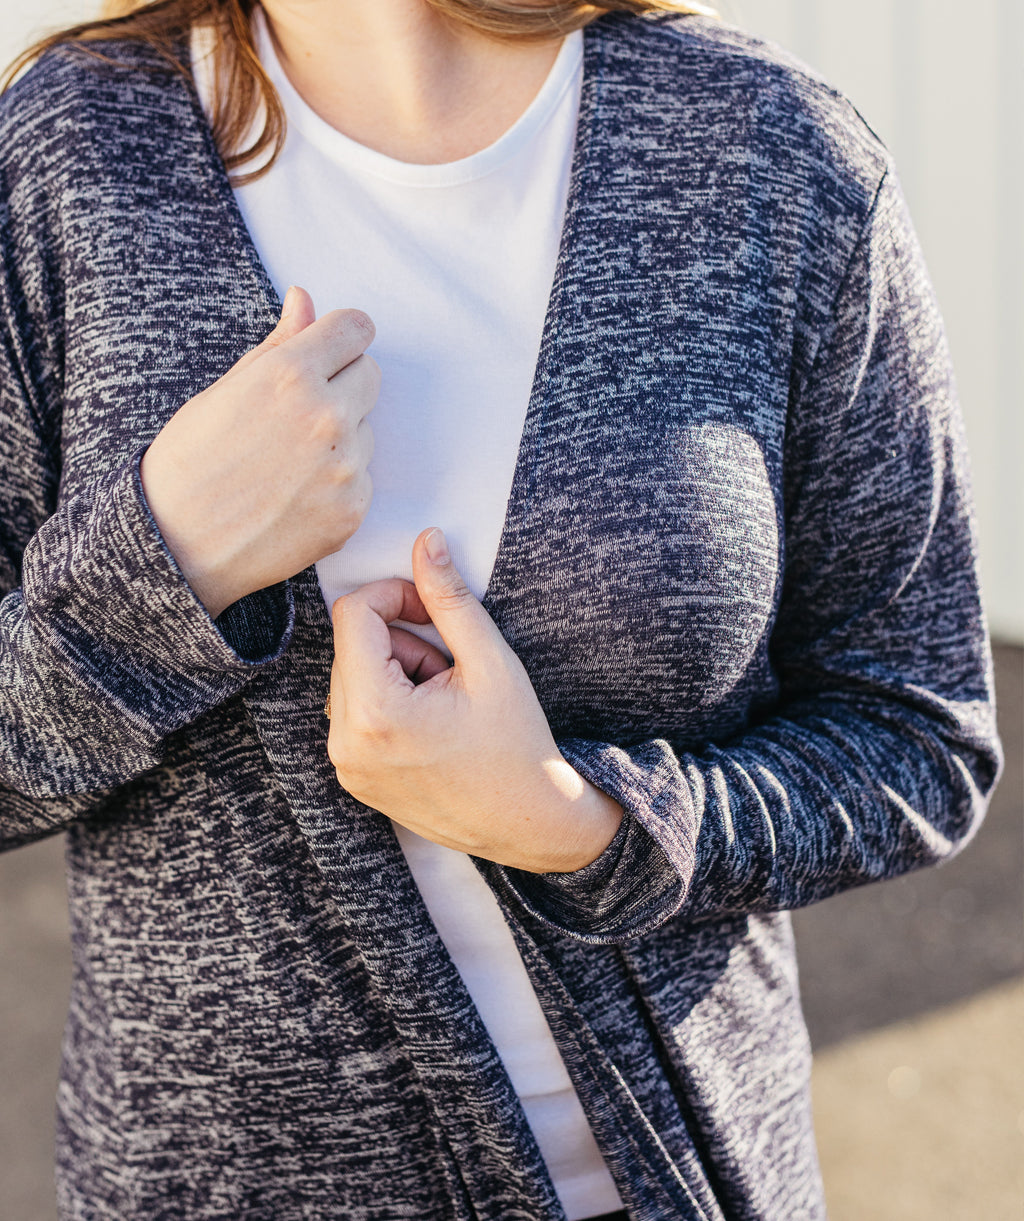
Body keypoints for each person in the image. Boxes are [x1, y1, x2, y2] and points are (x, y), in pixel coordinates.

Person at [0, 0, 1002, 1218]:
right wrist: (164, 565)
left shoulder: (768, 146)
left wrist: (587, 826)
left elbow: (917, 735)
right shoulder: (67, 156)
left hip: (671, 1181)